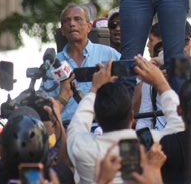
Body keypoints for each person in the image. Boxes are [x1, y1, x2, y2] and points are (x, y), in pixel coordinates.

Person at [66, 56, 183, 184]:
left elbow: (77, 124)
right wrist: (161, 83)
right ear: (132, 117)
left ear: (97, 119)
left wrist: (94, 89)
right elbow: (179, 127)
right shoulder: (150, 144)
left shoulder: (83, 148)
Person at [54, 3, 121, 123]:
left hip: (103, 128)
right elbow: (48, 102)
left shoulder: (110, 55)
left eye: (77, 19)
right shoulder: (54, 63)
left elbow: (135, 87)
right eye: (67, 20)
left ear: (89, 27)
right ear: (62, 30)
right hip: (67, 130)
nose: (72, 24)